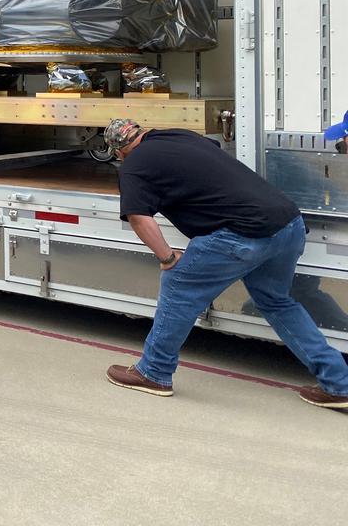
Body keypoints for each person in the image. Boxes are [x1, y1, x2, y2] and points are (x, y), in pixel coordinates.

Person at [102, 117, 348, 409]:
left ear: (119, 152)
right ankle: (339, 385)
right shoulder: (179, 134)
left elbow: (139, 217)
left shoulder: (133, 165)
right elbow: (214, 148)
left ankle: (153, 372)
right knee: (277, 301)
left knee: (178, 286)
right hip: (287, 224)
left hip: (240, 233)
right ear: (143, 132)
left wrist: (167, 258)